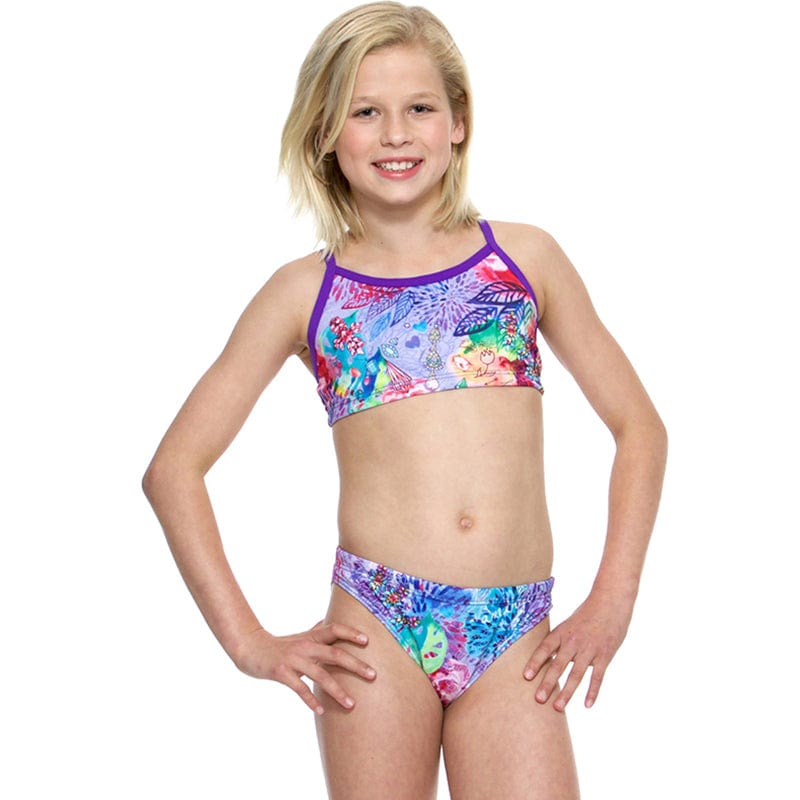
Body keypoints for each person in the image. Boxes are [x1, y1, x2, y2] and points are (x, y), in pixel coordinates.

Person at [142, 2, 667, 797]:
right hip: (377, 625)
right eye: (365, 112)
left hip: (515, 629)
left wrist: (611, 603)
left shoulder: (523, 260)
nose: (395, 134)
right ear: (325, 133)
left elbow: (639, 427)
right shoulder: (304, 293)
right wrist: (248, 643)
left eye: (419, 108)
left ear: (458, 122)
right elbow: (174, 468)